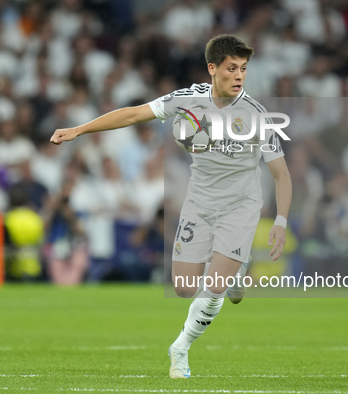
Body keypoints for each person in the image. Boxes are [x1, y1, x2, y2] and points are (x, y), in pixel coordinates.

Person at [50, 34, 292, 379]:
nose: (239, 76)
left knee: (213, 288)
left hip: (241, 204)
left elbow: (282, 175)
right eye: (231, 68)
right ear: (213, 68)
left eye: (243, 69)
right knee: (183, 287)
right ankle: (235, 266)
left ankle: (180, 349)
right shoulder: (187, 100)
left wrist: (281, 220)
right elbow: (134, 114)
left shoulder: (256, 114)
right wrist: (80, 129)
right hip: (200, 202)